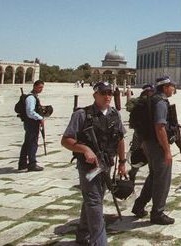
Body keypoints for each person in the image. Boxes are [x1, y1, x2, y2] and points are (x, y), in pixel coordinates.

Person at [61, 81, 127, 246]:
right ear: (95, 95)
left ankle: (83, 234)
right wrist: (84, 149)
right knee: (94, 201)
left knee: (94, 198)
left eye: (110, 93)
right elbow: (66, 140)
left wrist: (123, 162)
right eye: (103, 93)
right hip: (89, 167)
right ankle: (100, 242)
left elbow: (120, 139)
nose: (107, 96)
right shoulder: (82, 115)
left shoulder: (114, 114)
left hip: (105, 165)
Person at [131, 76, 177, 225]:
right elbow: (160, 127)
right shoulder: (161, 102)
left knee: (154, 176)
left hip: (148, 143)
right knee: (162, 178)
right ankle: (158, 213)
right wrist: (167, 150)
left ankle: (139, 206)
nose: (173, 89)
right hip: (157, 145)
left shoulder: (151, 99)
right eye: (171, 86)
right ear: (165, 87)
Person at [127, 83, 155, 181]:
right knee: (139, 156)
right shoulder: (139, 103)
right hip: (140, 135)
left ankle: (148, 176)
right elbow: (129, 107)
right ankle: (133, 175)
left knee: (145, 157)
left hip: (146, 134)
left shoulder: (152, 102)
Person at [18, 80, 46, 172]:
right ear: (34, 86)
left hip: (32, 123)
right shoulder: (31, 98)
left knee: (27, 143)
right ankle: (32, 164)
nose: (41, 89)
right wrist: (40, 118)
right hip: (31, 123)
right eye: (39, 87)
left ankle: (22, 164)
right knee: (32, 144)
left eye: (42, 87)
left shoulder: (34, 97)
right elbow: (30, 112)